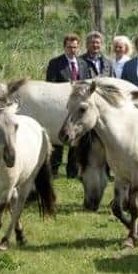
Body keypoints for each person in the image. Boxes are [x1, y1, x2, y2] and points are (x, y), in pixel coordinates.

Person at [45, 33, 81, 178]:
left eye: (75, 47)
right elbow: (50, 84)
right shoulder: (55, 63)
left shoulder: (83, 63)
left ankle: (72, 171)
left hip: (77, 108)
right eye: (69, 47)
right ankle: (54, 169)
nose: (72, 50)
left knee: (76, 138)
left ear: (78, 48)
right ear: (64, 47)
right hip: (59, 106)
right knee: (58, 137)